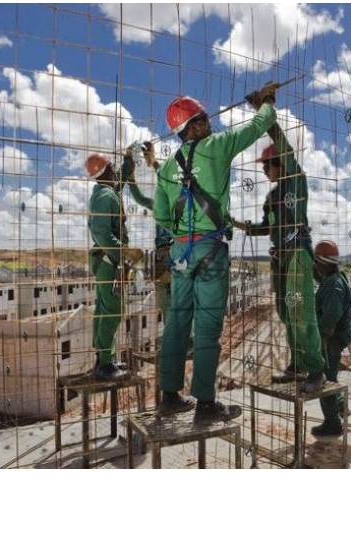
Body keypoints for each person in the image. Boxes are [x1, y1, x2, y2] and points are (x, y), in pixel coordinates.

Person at [154, 82, 278, 424]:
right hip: (210, 248)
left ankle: (169, 396)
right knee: (207, 326)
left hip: (182, 253)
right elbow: (257, 127)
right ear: (191, 126)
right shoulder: (217, 146)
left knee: (177, 322)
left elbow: (162, 215)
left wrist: (181, 233)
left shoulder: (166, 170)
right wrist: (266, 102)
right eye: (204, 118)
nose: (210, 122)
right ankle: (206, 404)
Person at [233, 121, 325, 392]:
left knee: (299, 311)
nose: (264, 171)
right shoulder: (272, 198)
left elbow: (286, 150)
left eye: (267, 165)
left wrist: (269, 120)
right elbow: (267, 227)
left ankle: (316, 369)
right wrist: (245, 227)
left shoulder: (295, 183)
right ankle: (298, 365)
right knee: (286, 313)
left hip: (297, 253)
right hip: (280, 258)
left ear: (280, 164)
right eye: (262, 167)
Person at [86, 152, 142, 380]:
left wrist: (128, 164)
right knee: (113, 310)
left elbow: (117, 183)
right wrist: (123, 252)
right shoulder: (106, 196)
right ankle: (105, 366)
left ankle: (103, 359)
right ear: (107, 171)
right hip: (109, 261)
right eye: (112, 167)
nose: (114, 170)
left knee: (103, 309)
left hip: (105, 261)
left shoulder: (104, 191)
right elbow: (101, 232)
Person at [124, 142, 173, 324]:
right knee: (167, 301)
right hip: (165, 256)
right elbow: (138, 197)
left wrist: (152, 164)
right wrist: (132, 176)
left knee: (171, 301)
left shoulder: (176, 204)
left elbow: (164, 181)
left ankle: (182, 341)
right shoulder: (161, 204)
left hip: (171, 255)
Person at [311, 240, 351, 437]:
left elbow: (331, 315)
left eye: (316, 262)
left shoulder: (334, 284)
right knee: (330, 376)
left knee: (326, 379)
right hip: (334, 337)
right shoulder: (333, 279)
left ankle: (333, 423)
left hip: (331, 339)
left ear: (323, 262)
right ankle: (341, 406)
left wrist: (321, 338)